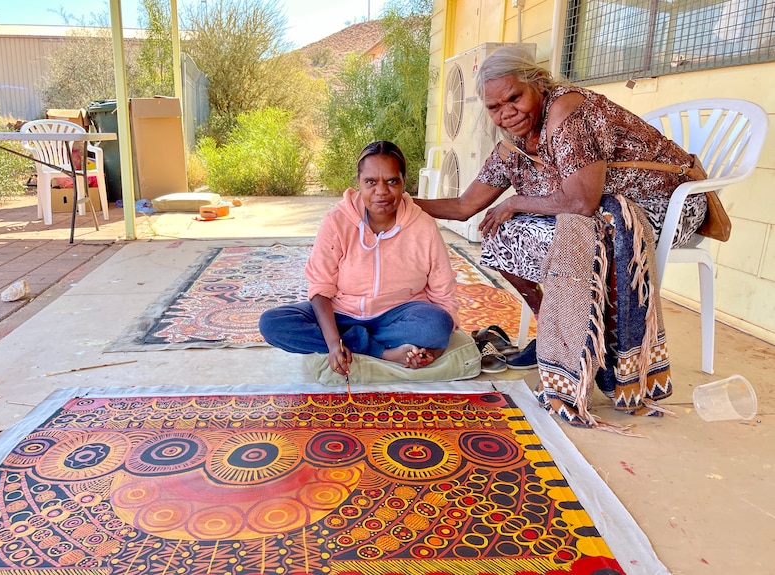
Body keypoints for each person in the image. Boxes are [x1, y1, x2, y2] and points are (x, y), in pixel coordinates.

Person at [414, 46, 707, 431]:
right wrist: (395, 201)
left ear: (537, 83)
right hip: (601, 211)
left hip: (666, 204)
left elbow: (581, 201)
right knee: (501, 235)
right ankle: (554, 330)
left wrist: (516, 200)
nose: (507, 113)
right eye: (495, 107)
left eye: (514, 97)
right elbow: (465, 206)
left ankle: (602, 350)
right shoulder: (513, 146)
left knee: (571, 236)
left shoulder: (567, 110)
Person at [259, 140, 459, 377]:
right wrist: (334, 343)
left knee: (436, 325)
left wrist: (436, 345)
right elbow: (320, 287)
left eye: (392, 181)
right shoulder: (337, 220)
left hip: (397, 316)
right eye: (371, 182)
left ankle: (355, 344)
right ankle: (382, 353)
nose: (381, 191)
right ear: (359, 183)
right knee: (273, 323)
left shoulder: (423, 226)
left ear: (404, 182)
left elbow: (442, 292)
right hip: (342, 313)